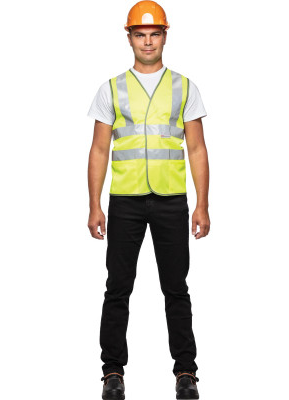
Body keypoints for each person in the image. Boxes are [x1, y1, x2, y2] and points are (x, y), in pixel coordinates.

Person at [87, 1, 210, 399]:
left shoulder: (185, 87)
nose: (147, 42)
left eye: (154, 34)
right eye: (140, 34)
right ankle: (112, 372)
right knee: (117, 288)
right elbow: (99, 150)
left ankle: (186, 372)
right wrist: (94, 205)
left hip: (172, 200)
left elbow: (197, 149)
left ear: (164, 36)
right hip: (125, 200)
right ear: (129, 38)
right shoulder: (111, 88)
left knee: (176, 288)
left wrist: (202, 204)